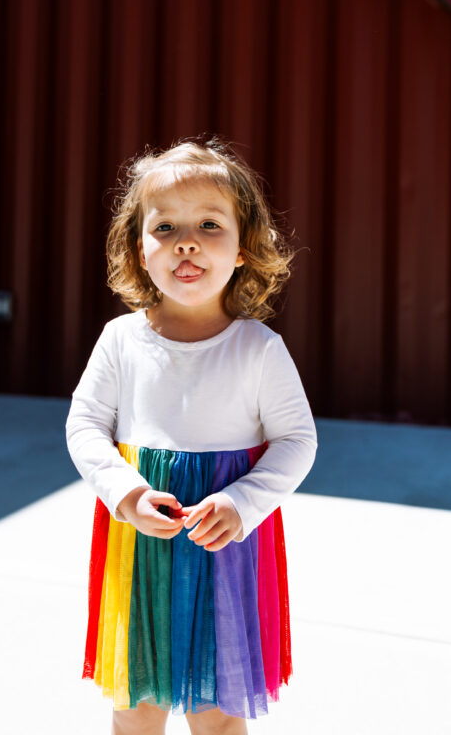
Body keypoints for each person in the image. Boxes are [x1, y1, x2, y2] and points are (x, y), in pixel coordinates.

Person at [66, 137, 317, 735]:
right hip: (140, 544)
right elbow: (85, 426)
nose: (187, 240)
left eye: (209, 224)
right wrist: (124, 492)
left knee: (220, 716)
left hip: (226, 546)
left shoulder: (259, 349)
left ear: (243, 250)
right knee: (135, 709)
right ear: (140, 249)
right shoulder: (121, 341)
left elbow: (296, 441)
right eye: (167, 227)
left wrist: (242, 502)